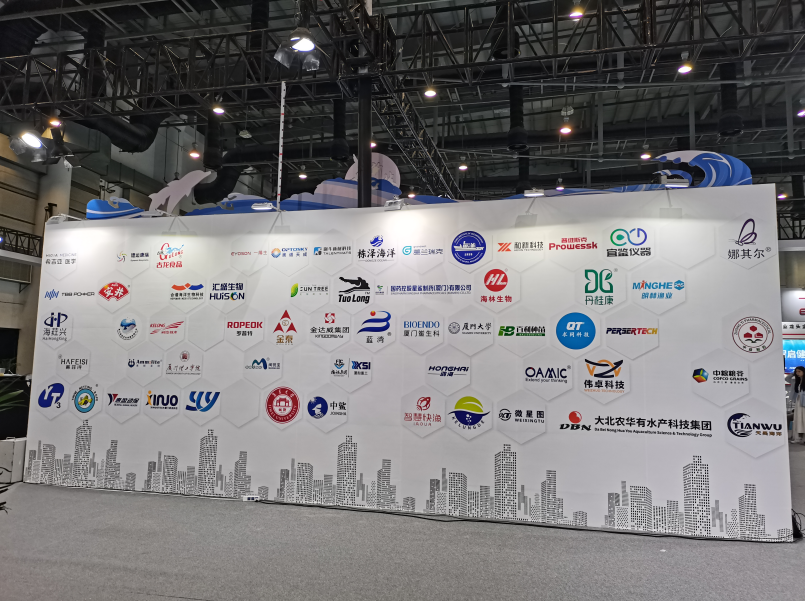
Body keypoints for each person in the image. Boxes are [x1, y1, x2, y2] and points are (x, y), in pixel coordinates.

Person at [793, 366, 805, 443]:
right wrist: (793, 373)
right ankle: (798, 438)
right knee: (799, 419)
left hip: (803, 403)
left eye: (799, 371)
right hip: (799, 402)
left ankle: (803, 439)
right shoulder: (798, 380)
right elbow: (787, 378)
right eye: (796, 372)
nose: (797, 373)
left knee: (803, 419)